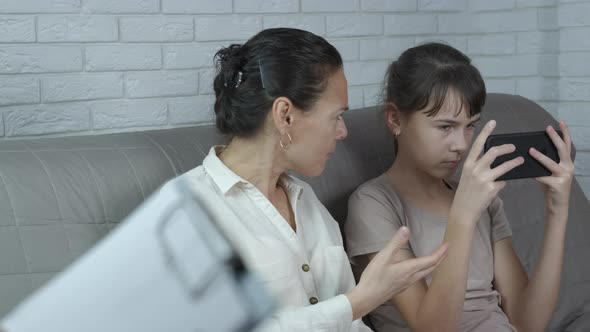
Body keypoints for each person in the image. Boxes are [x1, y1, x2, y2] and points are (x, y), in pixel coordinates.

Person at [162, 28, 449, 331]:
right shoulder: (187, 209)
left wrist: (359, 304)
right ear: (284, 115)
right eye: (336, 116)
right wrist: (360, 300)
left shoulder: (307, 201)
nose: (343, 131)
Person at [344, 42, 574, 332]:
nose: (461, 145)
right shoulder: (373, 204)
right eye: (445, 127)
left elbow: (529, 323)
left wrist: (558, 212)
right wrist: (462, 218)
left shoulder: (482, 200)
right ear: (395, 119)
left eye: (470, 126)